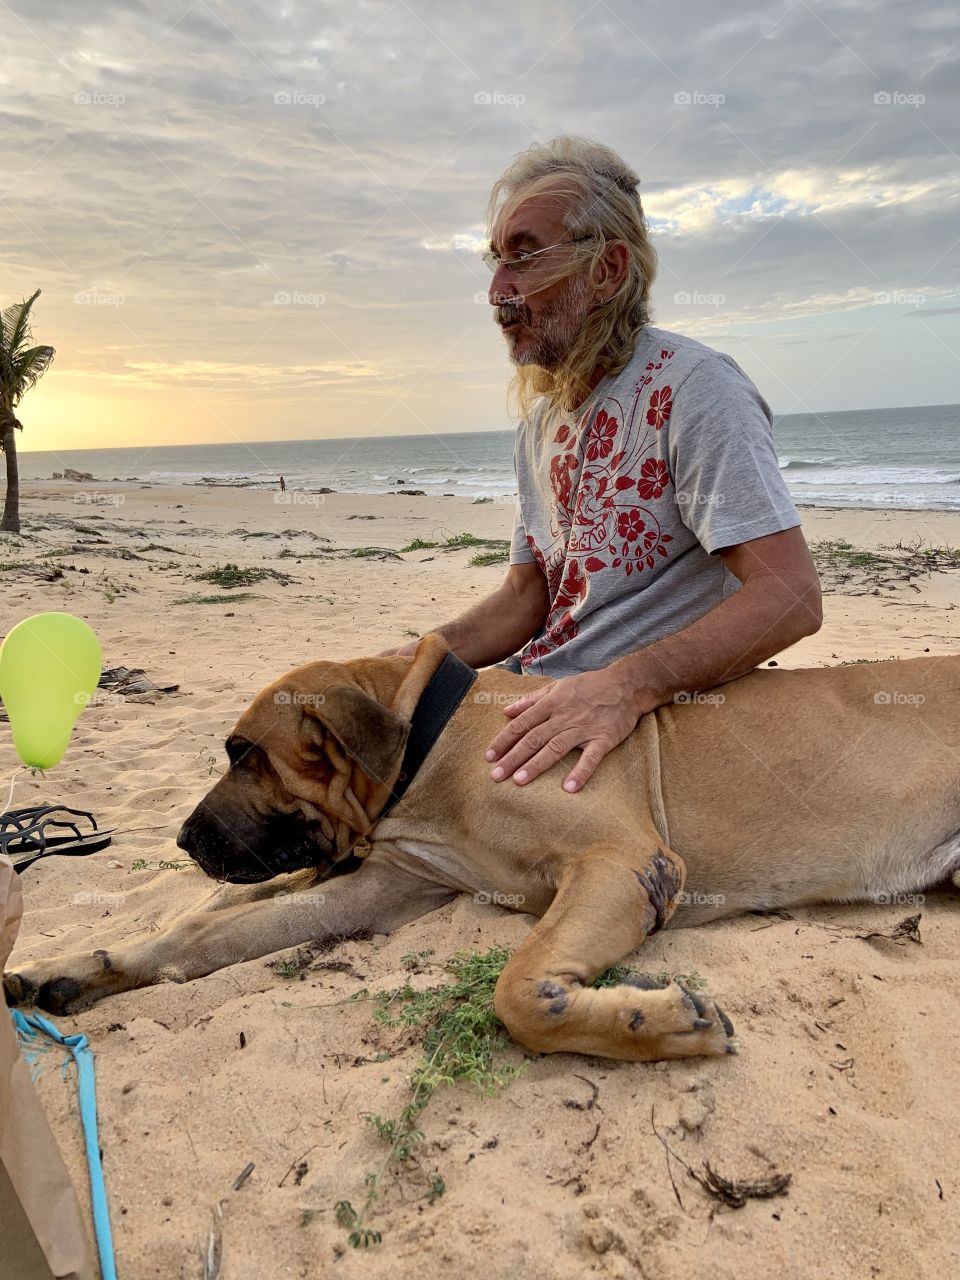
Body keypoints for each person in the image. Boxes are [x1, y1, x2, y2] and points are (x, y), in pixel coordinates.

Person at [381, 136, 822, 792]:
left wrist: (626, 687)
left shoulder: (695, 388)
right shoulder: (541, 420)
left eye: (525, 256)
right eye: (496, 262)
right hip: (541, 693)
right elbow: (526, 598)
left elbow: (789, 596)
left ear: (608, 270)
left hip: (643, 720)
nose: (497, 290)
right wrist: (410, 660)